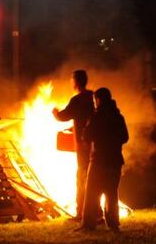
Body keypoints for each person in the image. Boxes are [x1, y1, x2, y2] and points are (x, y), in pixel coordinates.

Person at [80, 88, 129, 232]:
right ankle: (113, 224)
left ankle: (88, 224)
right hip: (114, 161)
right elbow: (125, 137)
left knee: (91, 193)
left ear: (99, 100)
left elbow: (86, 137)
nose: (94, 103)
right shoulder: (118, 117)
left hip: (98, 161)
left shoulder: (96, 117)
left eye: (95, 100)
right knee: (111, 193)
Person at [52, 69, 94, 221]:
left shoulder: (77, 100)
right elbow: (87, 118)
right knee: (93, 177)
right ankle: (95, 212)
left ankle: (82, 213)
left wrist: (55, 112)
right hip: (95, 145)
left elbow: (63, 116)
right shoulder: (93, 98)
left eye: (72, 80)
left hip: (83, 146)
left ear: (75, 82)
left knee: (82, 177)